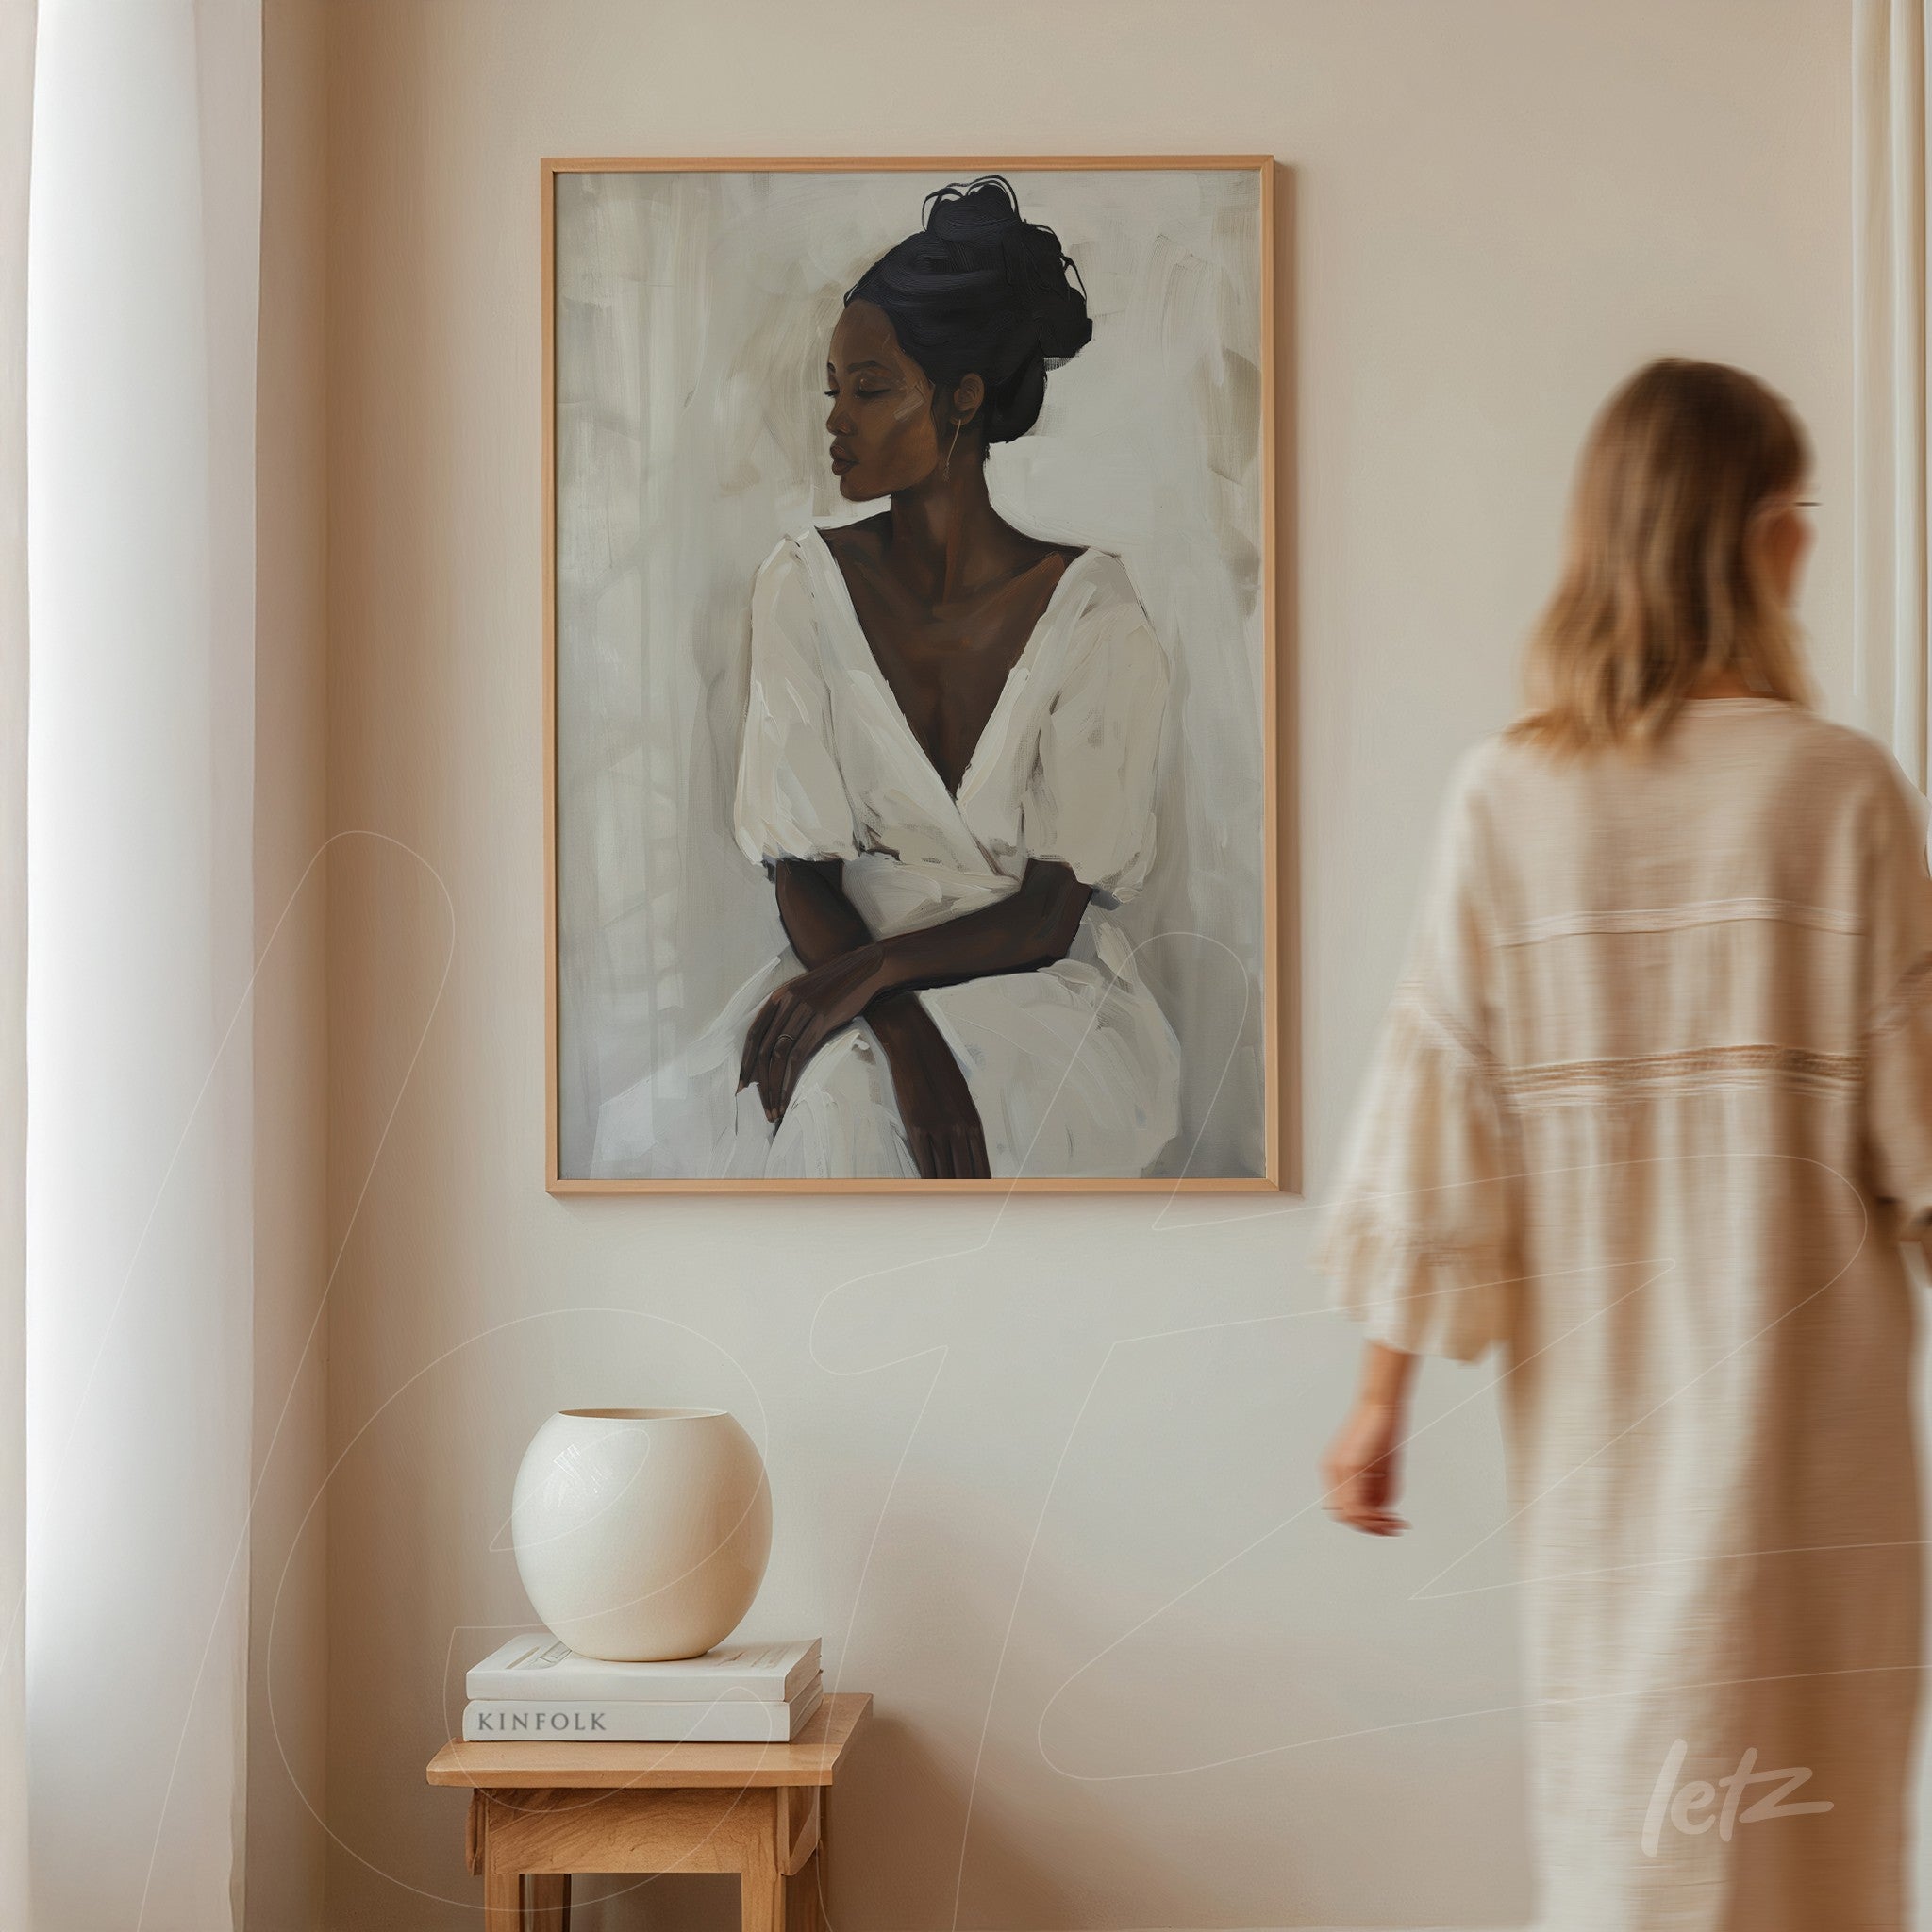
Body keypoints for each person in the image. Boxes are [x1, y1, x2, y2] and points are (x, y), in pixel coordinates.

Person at [1314, 358, 1932, 1927]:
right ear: (1753, 536)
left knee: (1629, 1859)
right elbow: (1919, 1136)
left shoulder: (1505, 795)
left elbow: (1434, 1123)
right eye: (1793, 509)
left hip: (1603, 1461)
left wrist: (1378, 1401)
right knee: (1813, 1873)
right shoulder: (1843, 792)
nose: (1806, 540)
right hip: (1819, 1463)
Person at [591, 177, 1180, 1182]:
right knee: (786, 1107)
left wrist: (878, 982)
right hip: (843, 970)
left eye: (868, 390)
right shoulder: (801, 586)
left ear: (962, 397)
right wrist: (894, 1023)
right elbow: (801, 872)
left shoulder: (1094, 612)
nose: (836, 421)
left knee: (847, 1109)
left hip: (1038, 995)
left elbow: (1047, 915)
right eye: (832, 390)